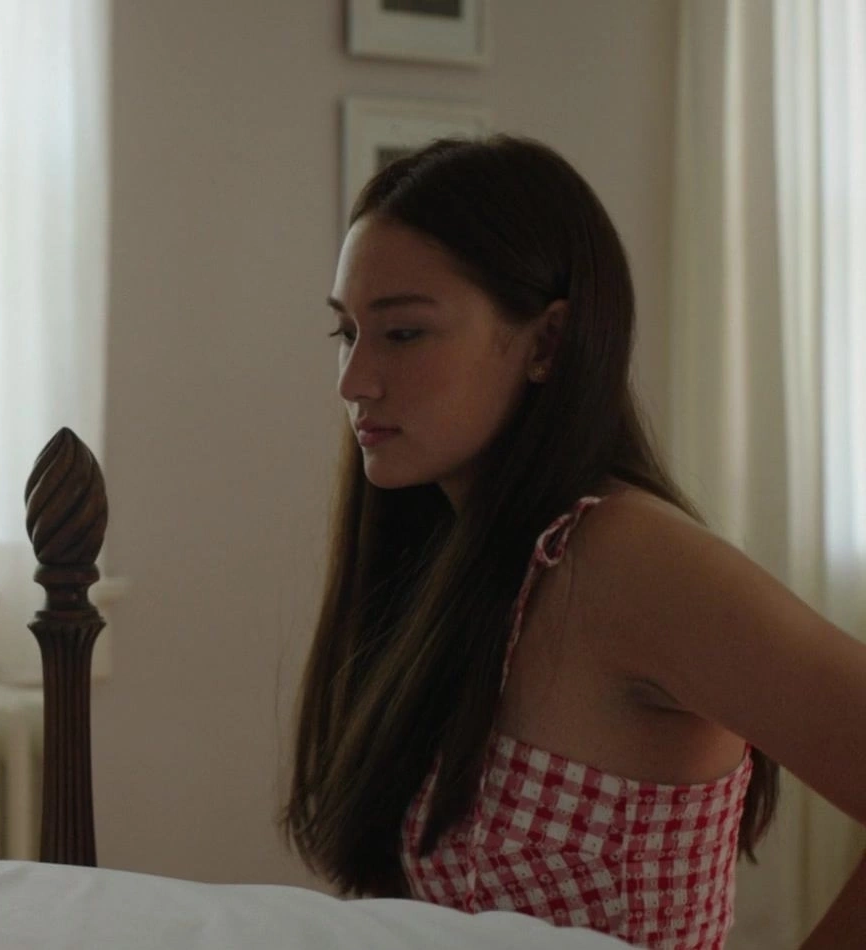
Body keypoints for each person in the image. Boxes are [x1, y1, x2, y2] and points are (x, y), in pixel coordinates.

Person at [284, 135, 866, 949]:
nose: (355, 381)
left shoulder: (626, 556)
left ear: (548, 343)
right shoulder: (452, 556)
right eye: (346, 333)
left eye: (404, 333)